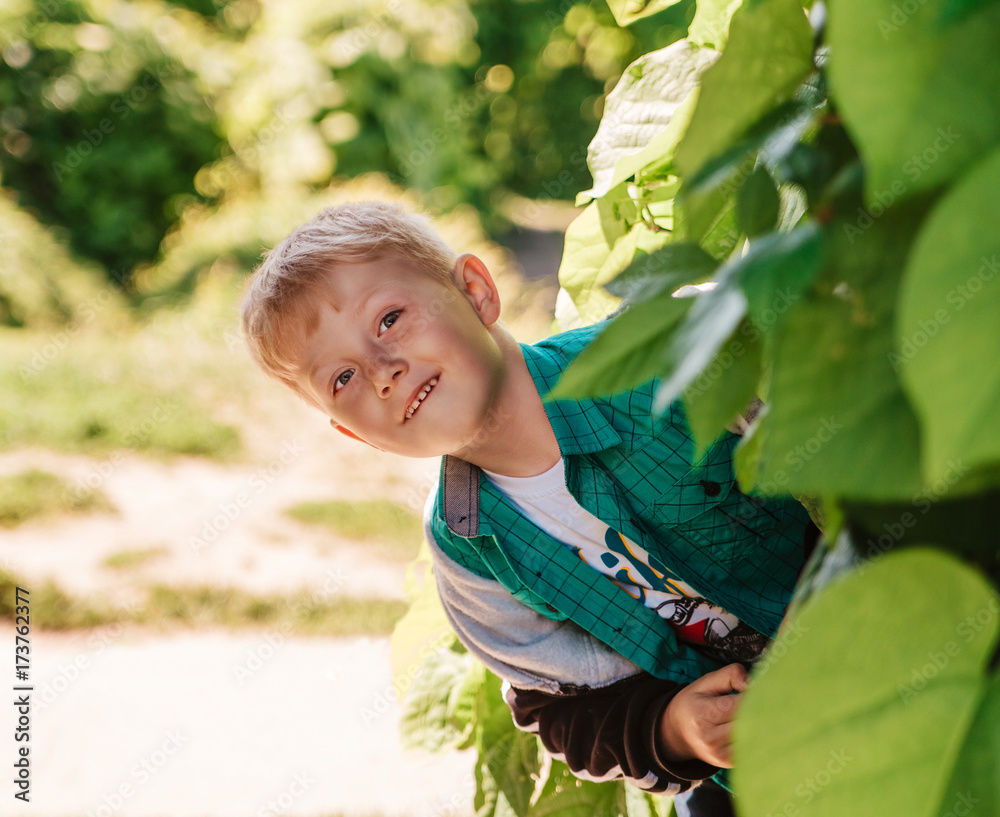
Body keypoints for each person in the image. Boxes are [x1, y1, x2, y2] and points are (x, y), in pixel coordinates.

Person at [239, 201, 819, 814]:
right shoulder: (470, 555)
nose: (382, 373)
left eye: (389, 319)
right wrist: (674, 729)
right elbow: (566, 706)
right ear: (354, 435)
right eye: (342, 379)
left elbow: (857, 463)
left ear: (476, 292)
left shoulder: (667, 359)